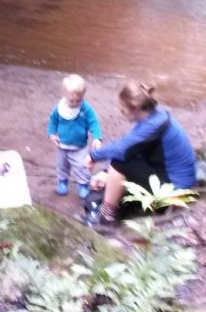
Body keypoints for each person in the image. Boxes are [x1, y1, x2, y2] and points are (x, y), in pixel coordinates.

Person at [82, 80, 196, 229]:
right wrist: (105, 173)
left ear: (134, 108)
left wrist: (93, 156)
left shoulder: (155, 125)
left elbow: (122, 150)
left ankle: (106, 217)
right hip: (168, 178)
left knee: (120, 163)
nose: (121, 111)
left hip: (176, 191)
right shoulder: (153, 117)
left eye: (123, 108)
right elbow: (132, 147)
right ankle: (110, 206)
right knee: (119, 165)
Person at [47, 74, 103, 199]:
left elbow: (93, 122)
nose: (75, 103)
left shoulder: (86, 109)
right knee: (62, 165)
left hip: (79, 147)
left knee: (82, 167)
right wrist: (52, 134)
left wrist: (97, 137)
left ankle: (83, 185)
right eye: (72, 101)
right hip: (62, 145)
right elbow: (53, 121)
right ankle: (63, 182)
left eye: (79, 100)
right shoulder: (59, 108)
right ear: (64, 95)